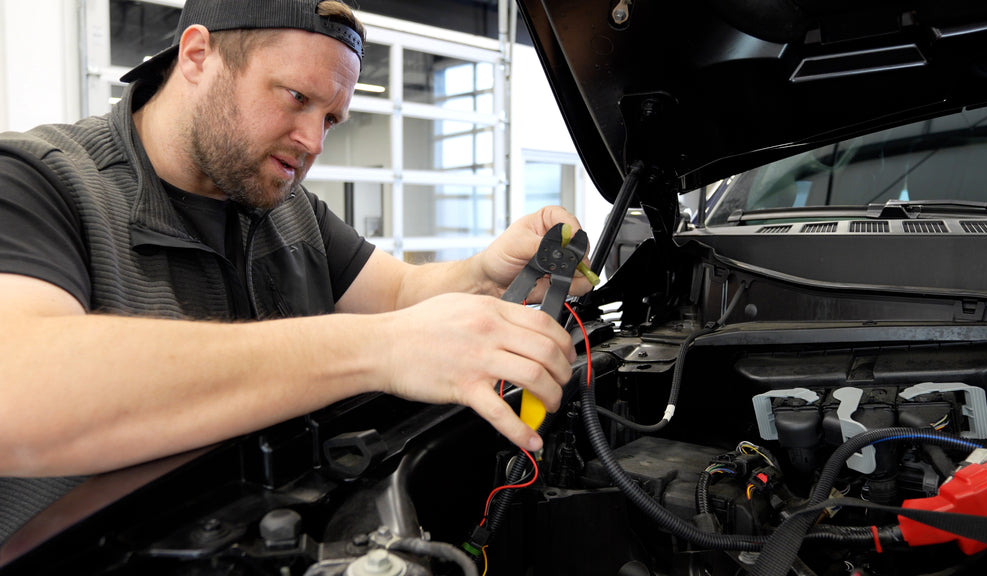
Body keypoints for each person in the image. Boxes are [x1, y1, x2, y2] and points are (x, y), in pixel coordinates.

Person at [0, 0, 592, 542]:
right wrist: (381, 349)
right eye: (295, 97)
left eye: (332, 118)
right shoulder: (37, 183)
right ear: (198, 55)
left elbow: (399, 294)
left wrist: (487, 274)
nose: (312, 141)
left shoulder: (283, 206)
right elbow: (18, 391)